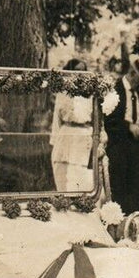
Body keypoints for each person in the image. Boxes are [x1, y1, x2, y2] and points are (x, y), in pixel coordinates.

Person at [104, 42, 139, 217]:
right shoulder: (114, 90)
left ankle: (138, 227)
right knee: (120, 190)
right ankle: (121, 228)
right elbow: (108, 120)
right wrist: (129, 127)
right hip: (119, 147)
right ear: (133, 74)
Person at [49, 58, 95, 192]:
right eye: (77, 70)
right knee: (63, 174)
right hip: (67, 133)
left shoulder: (91, 93)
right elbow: (56, 119)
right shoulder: (63, 92)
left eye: (83, 71)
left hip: (84, 134)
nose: (80, 74)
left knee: (80, 176)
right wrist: (54, 141)